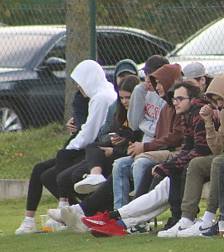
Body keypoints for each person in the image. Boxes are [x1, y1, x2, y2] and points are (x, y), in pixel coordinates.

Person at [81, 81, 212, 237]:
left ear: (192, 99)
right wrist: (168, 165)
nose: (175, 102)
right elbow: (187, 148)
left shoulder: (199, 114)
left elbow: (198, 149)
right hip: (183, 159)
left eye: (180, 99)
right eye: (174, 99)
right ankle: (118, 221)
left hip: (196, 163)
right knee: (156, 190)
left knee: (150, 169)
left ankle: (114, 218)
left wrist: (167, 166)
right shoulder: (184, 113)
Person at [16, 60, 117, 235]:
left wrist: (70, 146)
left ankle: (67, 209)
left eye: (80, 82)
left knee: (53, 172)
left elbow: (90, 131)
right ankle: (36, 217)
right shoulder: (94, 96)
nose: (78, 87)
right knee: (42, 170)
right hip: (88, 146)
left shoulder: (101, 97)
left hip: (94, 149)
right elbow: (85, 124)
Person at [161, 72, 224, 237]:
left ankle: (209, 218)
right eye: (216, 101)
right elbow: (219, 148)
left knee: (220, 162)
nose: (219, 104)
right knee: (196, 164)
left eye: (221, 99)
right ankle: (187, 217)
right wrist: (208, 122)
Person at [110, 55, 170, 211]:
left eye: (151, 77)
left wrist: (144, 144)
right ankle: (119, 214)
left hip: (160, 148)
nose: (147, 81)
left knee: (139, 164)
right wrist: (138, 91)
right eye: (146, 76)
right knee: (119, 165)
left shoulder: (168, 96)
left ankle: (139, 216)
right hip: (145, 146)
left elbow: (162, 131)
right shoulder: (144, 92)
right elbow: (135, 124)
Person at [73, 74, 142, 195]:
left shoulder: (140, 115)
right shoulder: (118, 111)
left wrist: (114, 150)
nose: (124, 101)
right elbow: (104, 134)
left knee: (113, 167)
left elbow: (137, 142)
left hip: (125, 153)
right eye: (121, 98)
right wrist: (114, 139)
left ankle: (95, 207)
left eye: (128, 98)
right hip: (113, 148)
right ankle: (95, 176)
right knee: (90, 149)